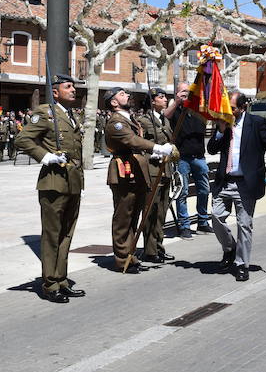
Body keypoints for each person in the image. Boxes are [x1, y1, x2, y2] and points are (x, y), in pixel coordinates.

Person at [14, 74, 86, 304]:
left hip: (73, 181)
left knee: (66, 233)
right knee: (52, 235)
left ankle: (61, 279)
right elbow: (22, 140)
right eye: (68, 87)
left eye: (73, 86)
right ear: (55, 92)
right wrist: (45, 156)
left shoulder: (71, 115)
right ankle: (50, 284)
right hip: (53, 182)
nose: (73, 90)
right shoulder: (46, 113)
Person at [208, 90, 266, 281]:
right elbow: (211, 149)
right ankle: (230, 248)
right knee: (216, 216)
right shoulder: (223, 124)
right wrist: (220, 130)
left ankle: (242, 264)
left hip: (246, 183)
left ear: (242, 107)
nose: (228, 111)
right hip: (225, 181)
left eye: (232, 108)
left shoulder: (256, 123)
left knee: (244, 224)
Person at [103, 86, 168, 273]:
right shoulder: (116, 122)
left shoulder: (129, 119)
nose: (128, 96)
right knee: (124, 216)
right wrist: (157, 148)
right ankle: (122, 258)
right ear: (114, 102)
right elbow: (132, 141)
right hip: (124, 172)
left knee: (133, 216)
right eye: (122, 94)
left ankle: (129, 255)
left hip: (136, 171)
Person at [165, 81, 214, 239]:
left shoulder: (198, 108)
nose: (187, 93)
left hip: (199, 157)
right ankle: (184, 225)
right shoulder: (175, 110)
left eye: (188, 91)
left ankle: (202, 222)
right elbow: (165, 115)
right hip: (183, 158)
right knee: (183, 192)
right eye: (183, 91)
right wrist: (178, 102)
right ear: (177, 93)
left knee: (204, 190)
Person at [137, 87, 177, 264]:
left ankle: (159, 247)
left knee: (161, 211)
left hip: (165, 170)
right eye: (161, 97)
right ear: (153, 101)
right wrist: (151, 154)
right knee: (151, 211)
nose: (165, 99)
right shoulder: (144, 121)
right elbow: (139, 144)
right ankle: (150, 250)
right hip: (152, 171)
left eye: (165, 97)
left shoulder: (165, 121)